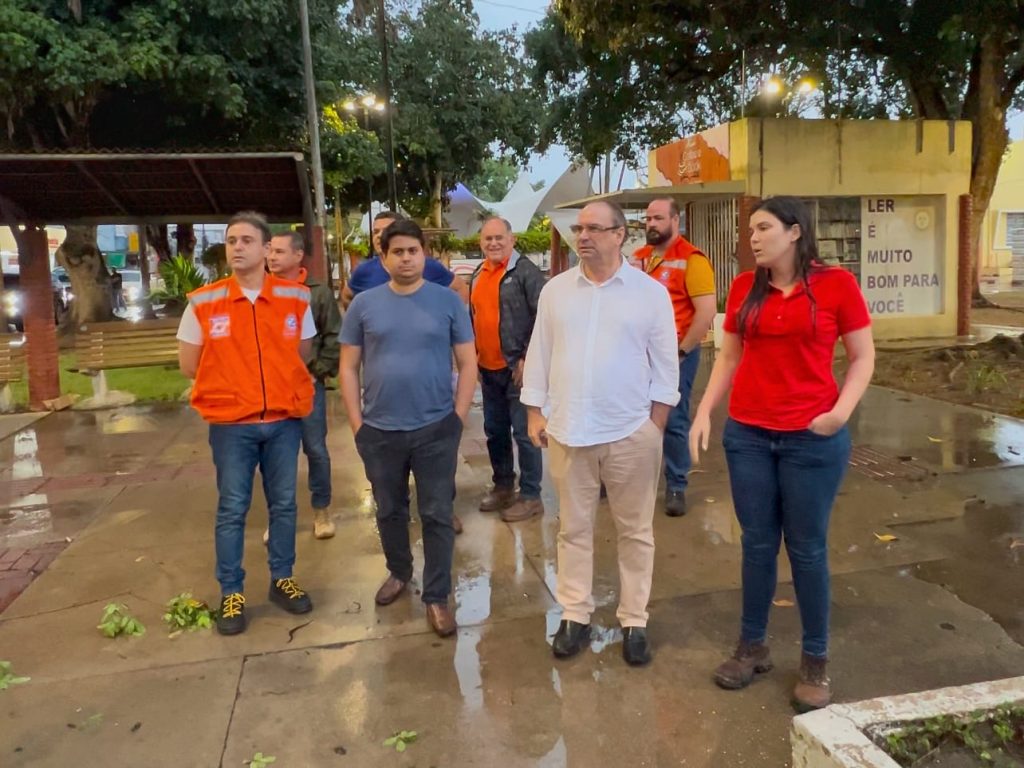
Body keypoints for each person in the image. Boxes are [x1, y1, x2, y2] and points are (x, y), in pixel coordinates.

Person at [689, 196, 874, 711]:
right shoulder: (745, 287)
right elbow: (728, 356)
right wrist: (704, 411)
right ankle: (752, 646)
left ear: (794, 232)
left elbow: (863, 357)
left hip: (812, 438)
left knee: (808, 549)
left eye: (764, 227)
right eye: (751, 229)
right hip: (748, 434)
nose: (753, 237)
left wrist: (842, 411)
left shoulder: (836, 285)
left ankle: (815, 658)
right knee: (756, 544)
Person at [521, 201, 679, 666]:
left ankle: (634, 620)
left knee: (635, 531)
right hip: (569, 430)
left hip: (631, 430)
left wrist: (655, 426)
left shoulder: (649, 293)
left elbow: (666, 366)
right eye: (578, 229)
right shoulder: (555, 292)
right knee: (573, 529)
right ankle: (576, 614)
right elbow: (540, 353)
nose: (583, 236)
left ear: (620, 234)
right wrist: (534, 412)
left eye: (593, 228)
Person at [177, 211, 317, 636]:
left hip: (282, 421)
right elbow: (189, 364)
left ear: (264, 249)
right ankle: (232, 593)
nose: (237, 247)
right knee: (232, 509)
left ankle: (282, 579)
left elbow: (304, 353)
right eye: (231, 240)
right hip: (231, 425)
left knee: (286, 505)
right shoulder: (204, 301)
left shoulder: (296, 298)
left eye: (246, 240)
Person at [339, 219, 477, 638]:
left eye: (412, 251)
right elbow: (348, 366)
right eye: (396, 252)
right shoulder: (364, 304)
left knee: (435, 514)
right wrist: (357, 423)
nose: (405, 258)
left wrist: (457, 417)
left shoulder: (446, 302)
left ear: (424, 255)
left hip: (436, 427)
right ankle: (399, 571)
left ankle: (436, 596)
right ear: (383, 259)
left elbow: (468, 362)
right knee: (389, 510)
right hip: (379, 431)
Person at [632, 198, 716, 517]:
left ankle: (676, 485)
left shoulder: (692, 260)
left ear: (675, 220)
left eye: (658, 218)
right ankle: (632, 480)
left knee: (675, 419)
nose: (651, 224)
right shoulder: (638, 259)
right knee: (636, 417)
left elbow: (705, 313)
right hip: (639, 355)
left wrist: (681, 352)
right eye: (648, 218)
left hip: (676, 354)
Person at [265, 230, 342, 541]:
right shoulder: (260, 290)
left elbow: (334, 336)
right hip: (270, 388)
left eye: (279, 252)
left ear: (298, 256)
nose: (271, 257)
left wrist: (318, 371)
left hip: (307, 386)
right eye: (270, 251)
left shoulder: (317, 294)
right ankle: (279, 517)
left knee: (315, 449)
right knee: (274, 454)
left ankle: (322, 510)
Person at [468, 217, 546, 522]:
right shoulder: (478, 273)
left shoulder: (525, 272)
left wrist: (528, 357)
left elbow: (544, 318)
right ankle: (503, 486)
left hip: (518, 369)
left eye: (499, 238)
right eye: (488, 239)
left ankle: (531, 495)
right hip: (488, 370)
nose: (494, 243)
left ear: (512, 240)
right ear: (481, 243)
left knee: (526, 434)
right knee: (494, 431)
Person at [342, 211, 469, 307]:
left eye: (386, 230)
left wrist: (451, 323)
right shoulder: (364, 271)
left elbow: (461, 289)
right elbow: (347, 296)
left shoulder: (429, 267)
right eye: (375, 232)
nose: (379, 236)